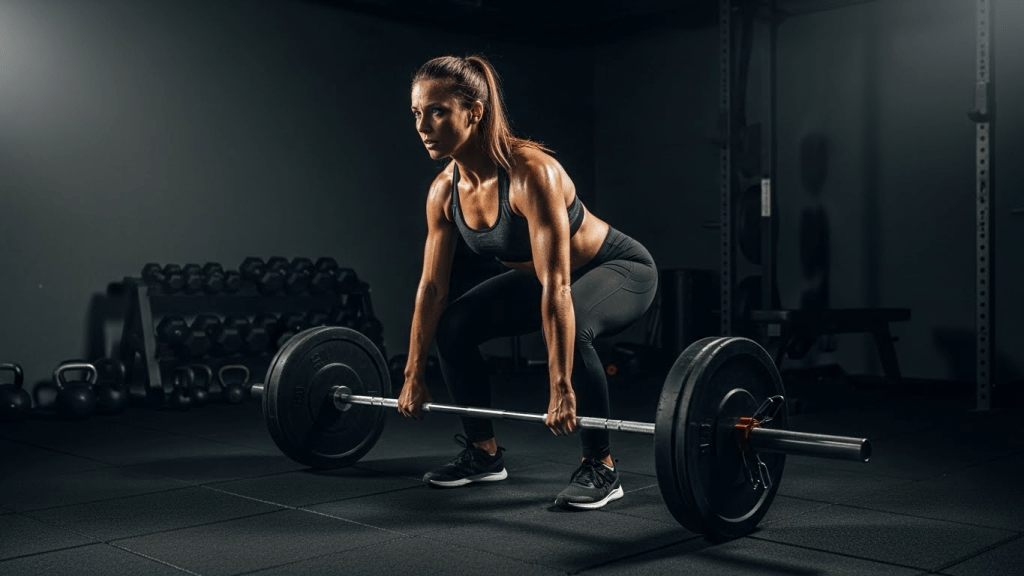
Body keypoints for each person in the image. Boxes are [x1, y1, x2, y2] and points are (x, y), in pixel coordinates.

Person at [398, 54, 658, 510]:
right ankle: (483, 453)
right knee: (454, 324)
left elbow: (558, 285)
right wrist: (413, 374)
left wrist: (560, 386)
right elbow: (432, 288)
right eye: (417, 112)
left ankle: (601, 465)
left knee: (575, 327)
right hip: (545, 278)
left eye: (437, 111)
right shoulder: (444, 191)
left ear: (474, 112)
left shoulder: (530, 173)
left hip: (617, 269)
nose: (422, 126)